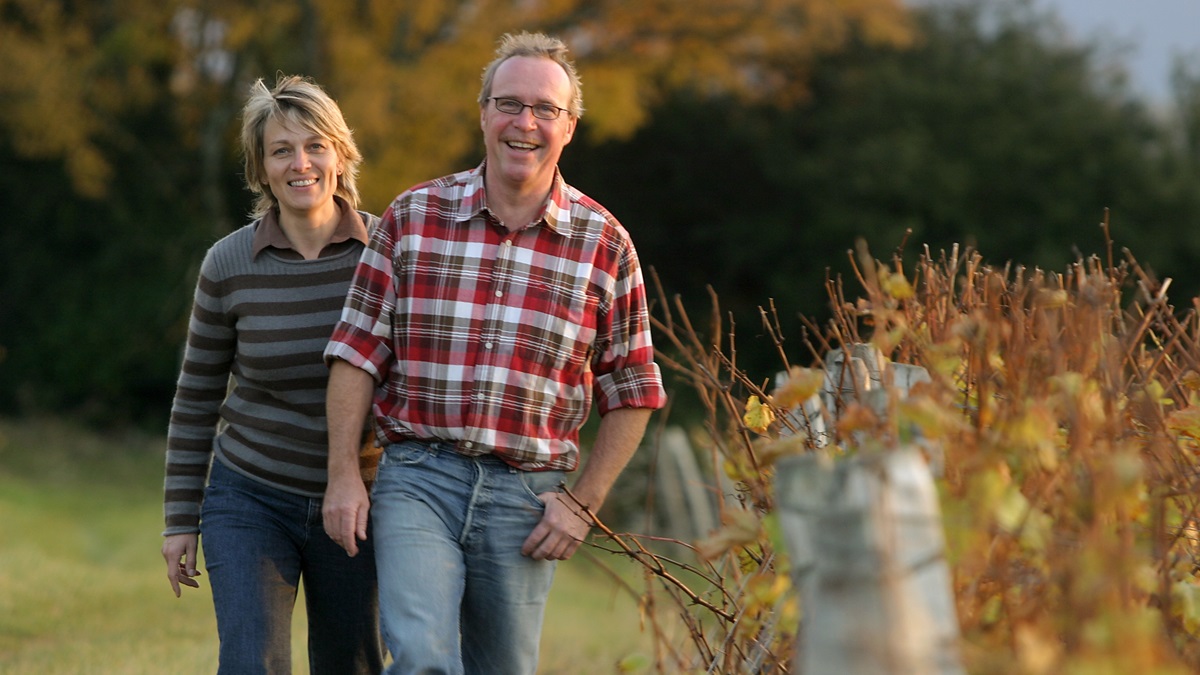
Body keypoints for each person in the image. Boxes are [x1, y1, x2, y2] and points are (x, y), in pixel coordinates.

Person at [322, 30, 668, 675]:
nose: (525, 123)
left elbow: (634, 390)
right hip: (418, 478)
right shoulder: (412, 218)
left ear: (570, 127)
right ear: (483, 112)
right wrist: (343, 472)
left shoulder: (605, 245)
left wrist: (583, 503)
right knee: (423, 657)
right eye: (509, 103)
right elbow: (355, 353)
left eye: (545, 110)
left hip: (528, 498)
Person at [160, 74, 385, 674]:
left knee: (353, 663)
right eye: (281, 150)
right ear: (261, 169)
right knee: (251, 660)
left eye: (315, 145)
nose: (300, 163)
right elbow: (197, 397)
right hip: (250, 493)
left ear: (341, 155)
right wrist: (180, 519)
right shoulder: (229, 262)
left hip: (361, 500)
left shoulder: (388, 253)